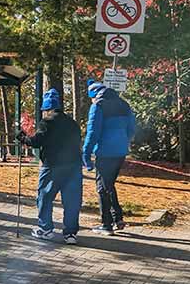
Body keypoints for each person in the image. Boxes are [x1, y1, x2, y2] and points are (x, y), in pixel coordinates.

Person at [18, 89, 83, 244]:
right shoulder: (73, 123)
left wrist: (21, 136)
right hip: (73, 166)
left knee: (45, 197)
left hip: (52, 166)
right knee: (72, 200)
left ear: (47, 109)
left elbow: (36, 141)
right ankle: (70, 234)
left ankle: (45, 229)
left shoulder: (47, 122)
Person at [83, 79, 137, 235]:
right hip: (120, 152)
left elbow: (92, 133)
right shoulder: (124, 104)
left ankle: (106, 225)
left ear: (94, 95)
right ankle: (117, 218)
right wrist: (123, 141)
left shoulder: (98, 106)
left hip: (105, 153)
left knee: (102, 188)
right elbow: (132, 128)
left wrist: (86, 154)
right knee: (109, 185)